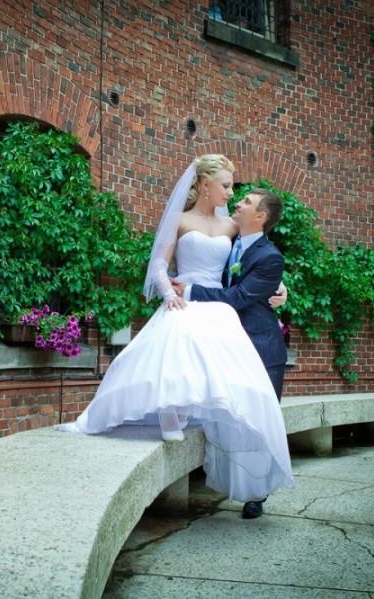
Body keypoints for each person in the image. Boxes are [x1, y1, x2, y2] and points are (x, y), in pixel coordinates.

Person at [58, 155, 294, 516]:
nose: (233, 194)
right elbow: (158, 263)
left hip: (217, 306)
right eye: (227, 185)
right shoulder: (181, 220)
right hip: (183, 298)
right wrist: (169, 293)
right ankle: (171, 410)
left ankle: (251, 485)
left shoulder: (232, 226)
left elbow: (255, 259)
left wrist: (280, 288)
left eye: (236, 190)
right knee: (175, 349)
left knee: (225, 374)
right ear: (205, 184)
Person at [171, 185, 288, 519]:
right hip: (226, 342)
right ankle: (231, 478)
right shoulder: (230, 239)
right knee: (232, 417)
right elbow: (209, 265)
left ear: (260, 216)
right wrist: (281, 287)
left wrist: (190, 291)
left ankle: (257, 493)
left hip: (261, 346)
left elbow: (239, 296)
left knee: (259, 422)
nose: (238, 202)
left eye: (247, 201)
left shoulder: (270, 256)